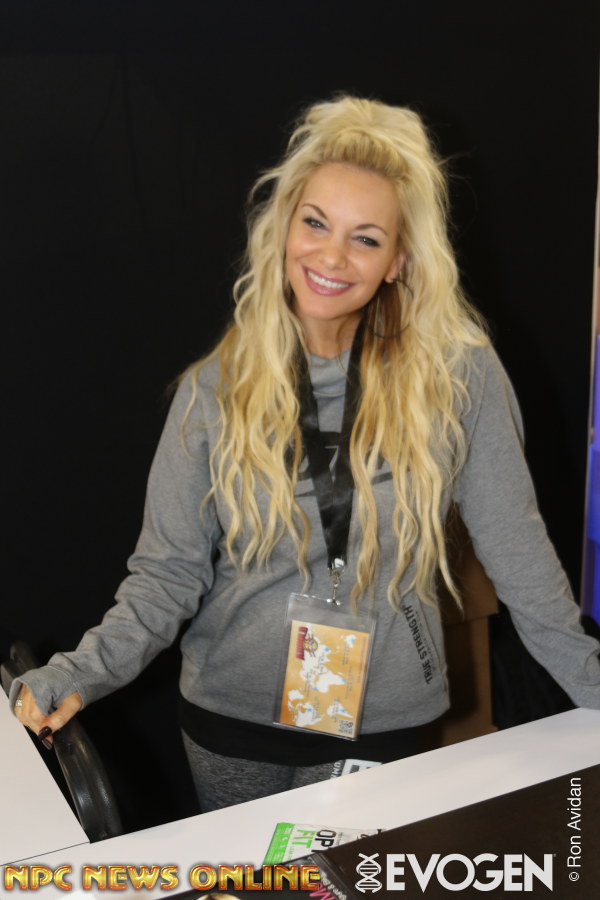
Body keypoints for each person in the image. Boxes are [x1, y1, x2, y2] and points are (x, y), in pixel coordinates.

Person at [11, 95, 600, 813]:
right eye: (315, 223)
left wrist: (593, 687)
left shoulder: (459, 379)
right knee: (259, 876)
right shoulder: (213, 391)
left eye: (365, 238)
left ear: (399, 260)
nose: (330, 256)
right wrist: (79, 672)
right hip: (232, 723)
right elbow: (166, 576)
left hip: (384, 721)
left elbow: (520, 557)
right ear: (284, 226)